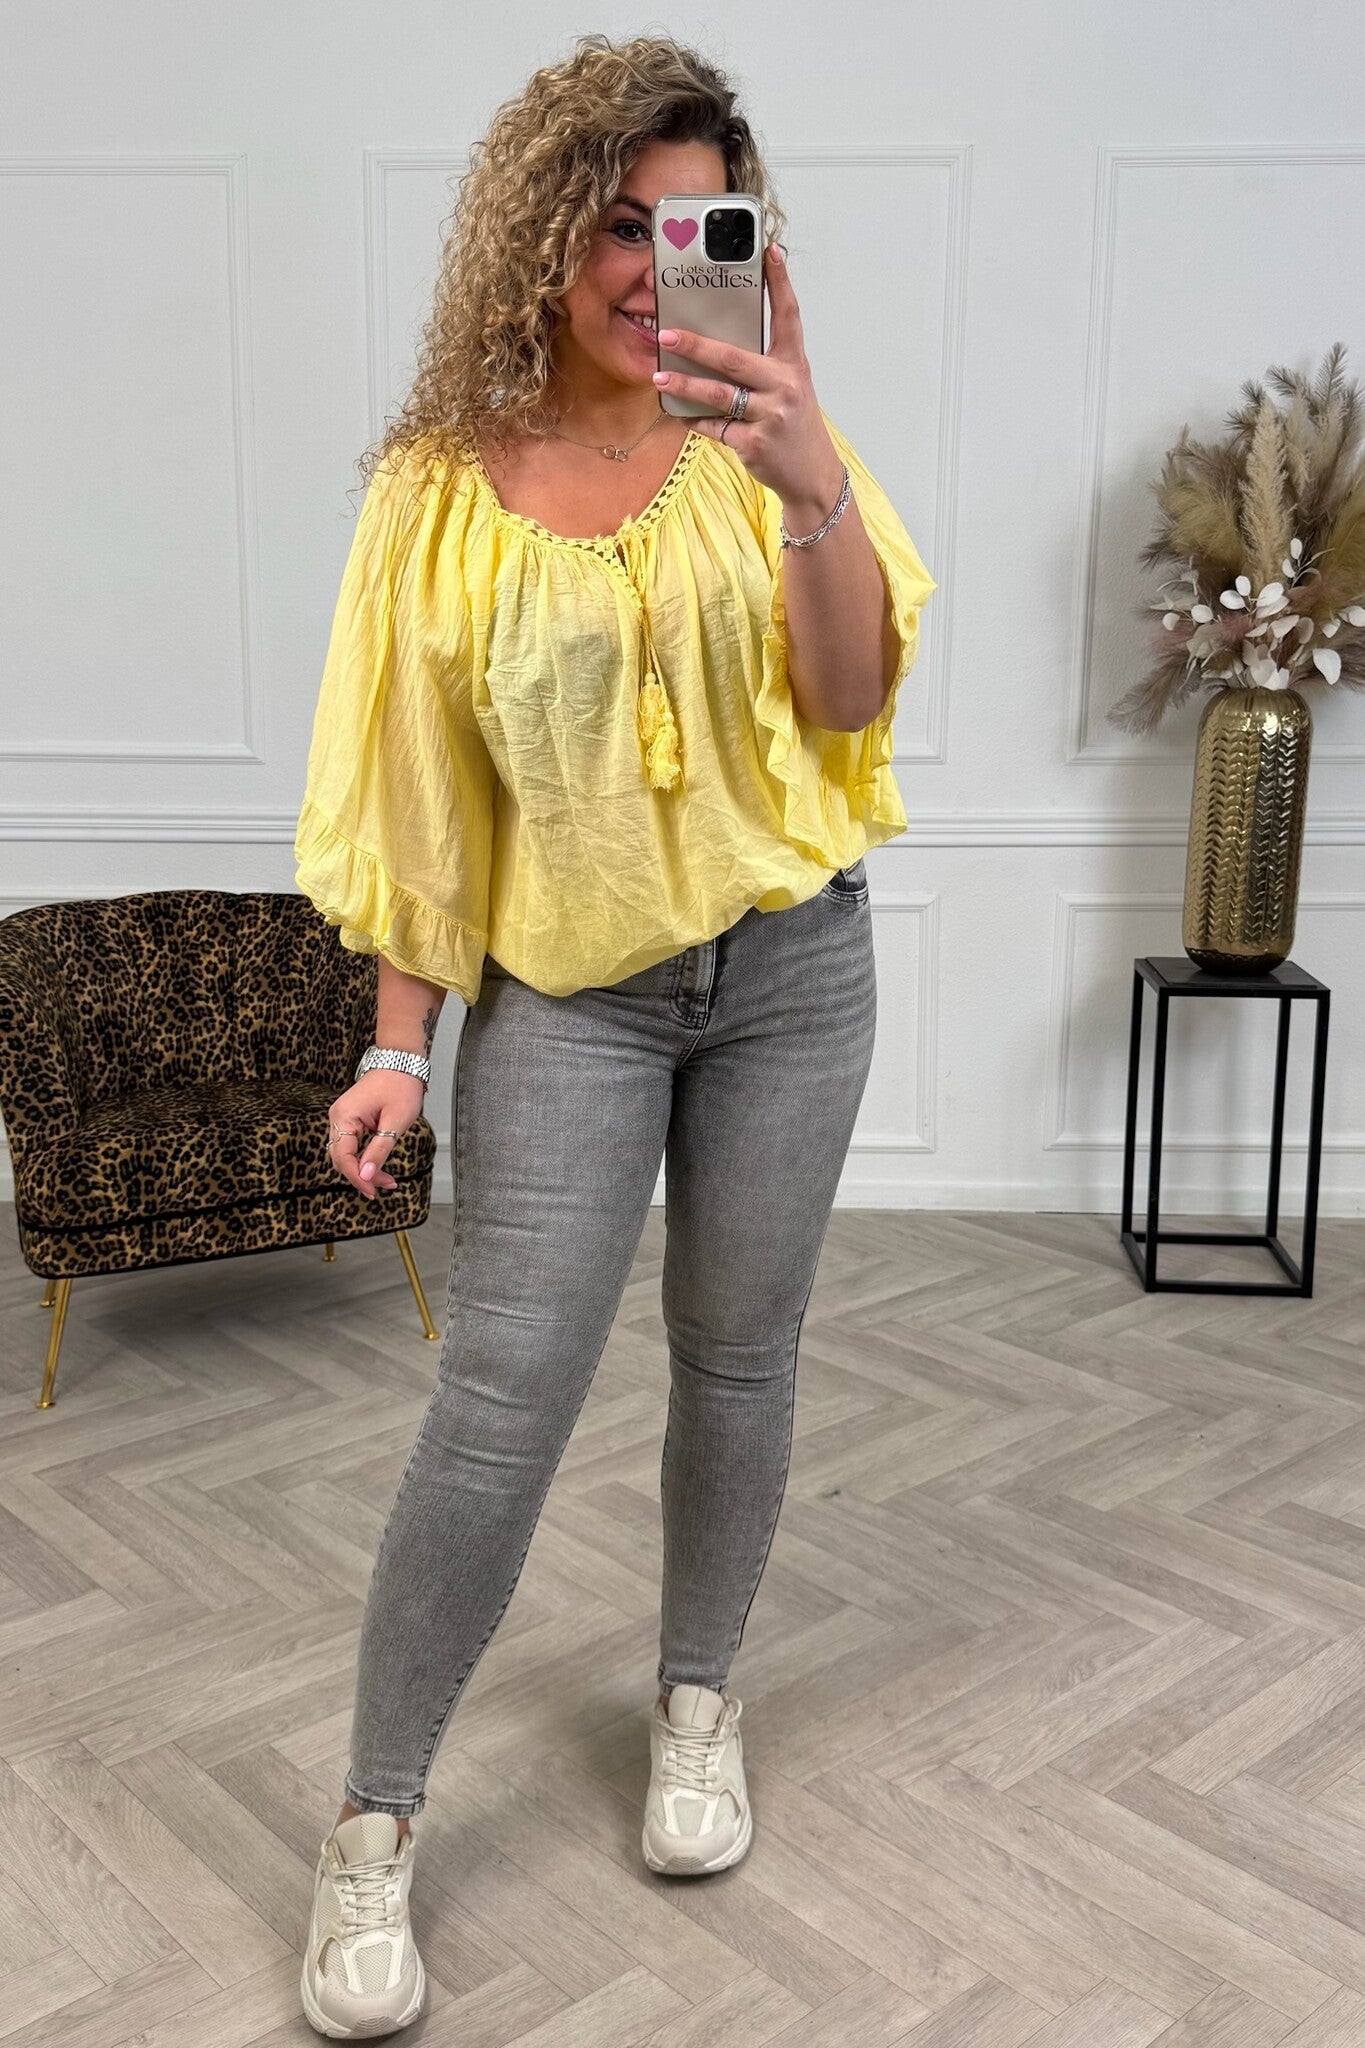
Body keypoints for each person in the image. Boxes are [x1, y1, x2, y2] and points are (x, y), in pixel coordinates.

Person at [292, 31, 935, 2039]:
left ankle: (694, 1701)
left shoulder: (764, 440)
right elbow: (415, 804)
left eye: (702, 227)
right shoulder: (433, 492)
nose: (661, 268)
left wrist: (808, 481)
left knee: (738, 1357)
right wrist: (397, 1049)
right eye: (621, 225)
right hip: (569, 999)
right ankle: (371, 1826)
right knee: (499, 1402)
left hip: (793, 974)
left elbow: (850, 703)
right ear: (543, 233)